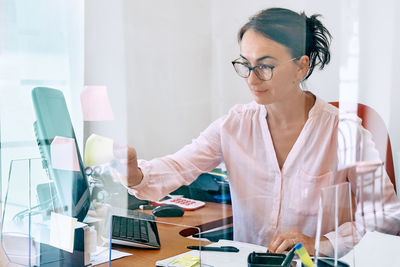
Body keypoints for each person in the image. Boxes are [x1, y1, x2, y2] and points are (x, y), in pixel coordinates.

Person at [113, 7, 399, 256]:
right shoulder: (234, 125)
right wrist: (135, 174)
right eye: (245, 65)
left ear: (302, 66)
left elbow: (386, 218)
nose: (252, 79)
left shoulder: (345, 132)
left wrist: (320, 242)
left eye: (265, 66)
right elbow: (180, 166)